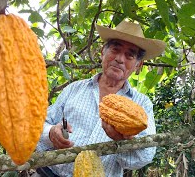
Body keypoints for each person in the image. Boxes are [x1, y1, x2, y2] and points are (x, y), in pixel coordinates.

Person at [35, 20, 166, 177]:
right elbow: (40, 125)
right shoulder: (74, 89)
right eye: (115, 49)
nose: (120, 59)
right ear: (103, 51)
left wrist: (123, 142)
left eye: (129, 55)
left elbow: (145, 156)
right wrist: (51, 133)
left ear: (138, 65)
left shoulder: (142, 104)